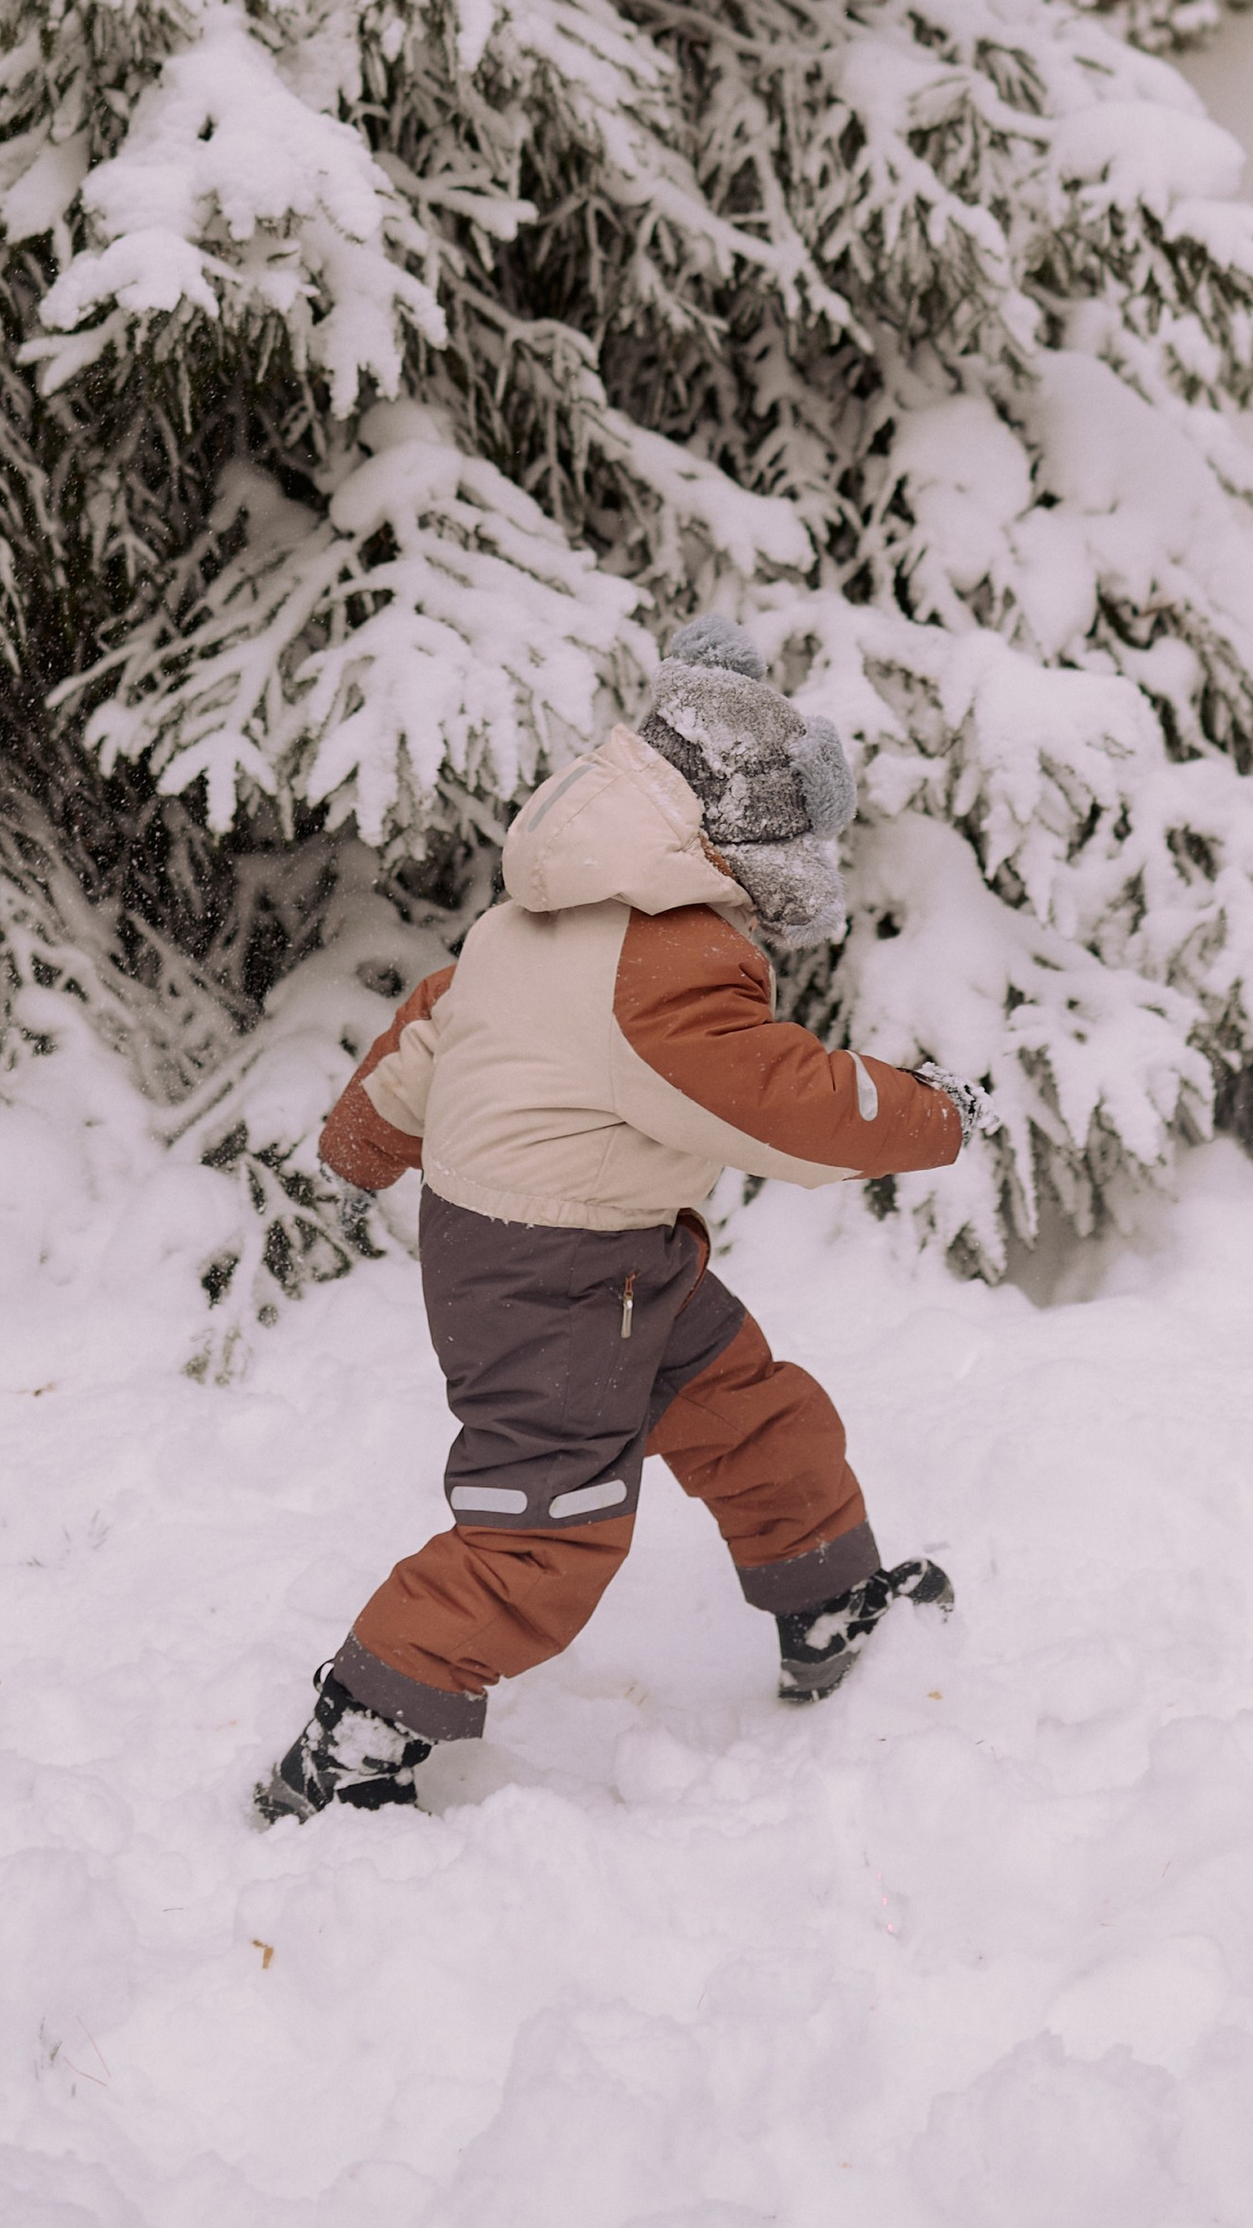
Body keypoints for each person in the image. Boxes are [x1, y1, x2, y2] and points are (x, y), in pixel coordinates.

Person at [254, 619, 979, 1820]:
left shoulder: (524, 924)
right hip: (554, 1279)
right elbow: (783, 1103)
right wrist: (929, 1115)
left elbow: (429, 1032)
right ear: (746, 835)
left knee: (754, 1412)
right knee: (545, 1530)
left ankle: (829, 1603)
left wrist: (363, 1138)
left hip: (608, 1256)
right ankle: (354, 1735)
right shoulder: (669, 963)